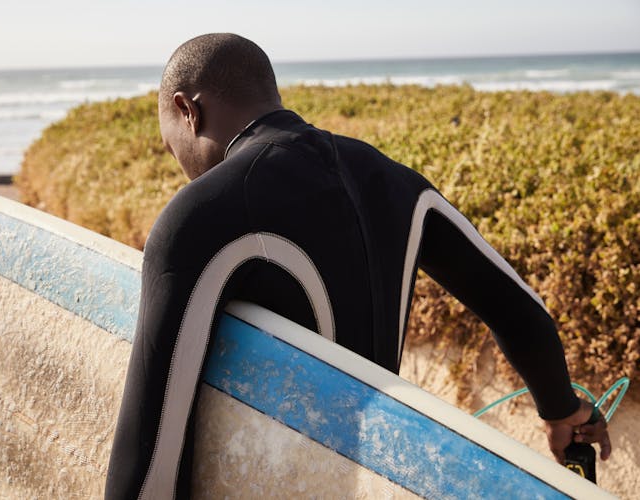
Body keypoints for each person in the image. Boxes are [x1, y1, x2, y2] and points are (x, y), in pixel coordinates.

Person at [105, 33, 611, 499]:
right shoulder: (399, 184)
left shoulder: (199, 214)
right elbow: (520, 309)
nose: (182, 165)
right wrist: (562, 409)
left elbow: (151, 453)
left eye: (172, 147)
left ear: (186, 110)